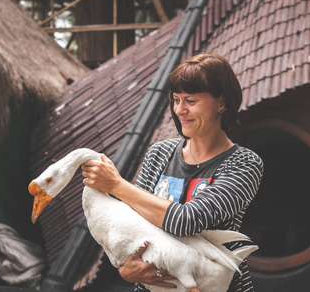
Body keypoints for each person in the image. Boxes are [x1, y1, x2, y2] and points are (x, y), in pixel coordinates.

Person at [81, 53, 264, 292]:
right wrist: (125, 269)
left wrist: (116, 185)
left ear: (222, 103)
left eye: (190, 100)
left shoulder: (244, 163)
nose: (179, 110)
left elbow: (187, 221)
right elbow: (134, 221)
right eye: (176, 99)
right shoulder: (160, 153)